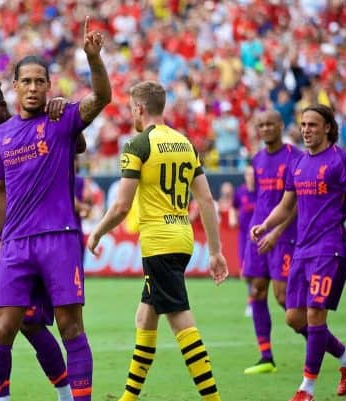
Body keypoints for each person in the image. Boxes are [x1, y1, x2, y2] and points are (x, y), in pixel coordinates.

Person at [0, 16, 111, 401]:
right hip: (15, 244)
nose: (34, 87)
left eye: (41, 81)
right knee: (2, 328)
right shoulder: (0, 136)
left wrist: (93, 60)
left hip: (60, 238)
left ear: (49, 85)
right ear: (15, 86)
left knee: (71, 327)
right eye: (27, 81)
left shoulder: (62, 119)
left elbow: (102, 98)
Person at [87, 80, 228, 401]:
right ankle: (128, 397)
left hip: (158, 242)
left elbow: (122, 205)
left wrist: (97, 231)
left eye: (130, 108)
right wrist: (216, 251)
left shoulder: (138, 145)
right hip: (183, 238)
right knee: (144, 316)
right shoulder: (185, 144)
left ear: (138, 108)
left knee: (180, 319)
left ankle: (213, 398)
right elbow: (206, 200)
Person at [0, 78, 79, 401]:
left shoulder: (40, 120)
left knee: (29, 322)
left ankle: (66, 393)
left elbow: (78, 144)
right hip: (5, 241)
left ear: (4, 104)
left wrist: (56, 108)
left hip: (42, 236)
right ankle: (1, 397)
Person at [251, 104, 346, 401]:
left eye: (313, 125)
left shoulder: (342, 162)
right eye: (303, 124)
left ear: (328, 128)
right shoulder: (299, 163)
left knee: (316, 314)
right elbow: (286, 205)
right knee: (294, 318)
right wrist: (266, 225)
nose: (306, 130)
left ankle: (307, 389)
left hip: (329, 250)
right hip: (301, 250)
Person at [243, 110, 302, 374]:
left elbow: (299, 201)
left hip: (284, 235)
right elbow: (263, 200)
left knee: (282, 297)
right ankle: (266, 357)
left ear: (280, 125)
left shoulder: (295, 157)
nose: (265, 128)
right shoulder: (257, 159)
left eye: (270, 124)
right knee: (256, 290)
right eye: (261, 124)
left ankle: (320, 342)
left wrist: (277, 232)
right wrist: (257, 229)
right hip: (259, 232)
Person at [232, 165, 256, 317]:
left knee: (258, 273)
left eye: (253, 174)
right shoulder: (240, 192)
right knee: (246, 273)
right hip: (244, 238)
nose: (250, 177)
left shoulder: (261, 191)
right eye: (248, 174)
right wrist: (233, 218)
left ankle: (253, 302)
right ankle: (252, 301)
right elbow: (234, 207)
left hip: (260, 237)